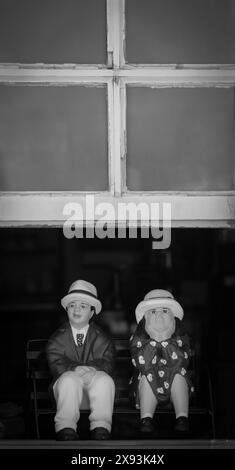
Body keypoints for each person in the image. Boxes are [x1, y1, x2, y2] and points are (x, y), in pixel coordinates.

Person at [46, 280, 115, 441]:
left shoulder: (102, 338)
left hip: (92, 392)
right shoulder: (58, 337)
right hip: (67, 393)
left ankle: (101, 426)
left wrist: (94, 370)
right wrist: (73, 369)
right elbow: (55, 360)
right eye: (72, 305)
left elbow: (108, 359)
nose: (76, 309)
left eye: (83, 306)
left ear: (91, 312)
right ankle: (66, 427)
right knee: (69, 380)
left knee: (105, 381)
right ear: (67, 309)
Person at [129, 289, 192, 434]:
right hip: (149, 378)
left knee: (178, 377)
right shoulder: (138, 340)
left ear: (173, 318)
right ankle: (146, 418)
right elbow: (142, 363)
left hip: (173, 378)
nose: (159, 315)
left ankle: (182, 417)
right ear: (145, 319)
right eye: (153, 312)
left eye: (164, 311)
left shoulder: (181, 338)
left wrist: (166, 340)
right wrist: (154, 340)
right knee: (145, 378)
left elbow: (181, 361)